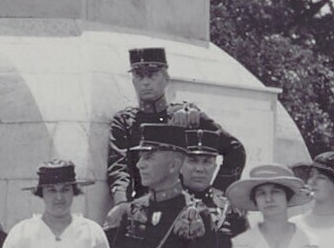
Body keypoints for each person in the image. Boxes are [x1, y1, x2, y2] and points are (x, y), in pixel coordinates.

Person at [105, 125, 237, 248]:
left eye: (148, 157)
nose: (140, 164)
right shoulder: (132, 210)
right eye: (140, 157)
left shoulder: (196, 215)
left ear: (173, 166)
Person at [102, 44, 246, 208]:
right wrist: (122, 205)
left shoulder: (187, 115)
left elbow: (235, 150)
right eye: (139, 76)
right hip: (146, 206)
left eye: (152, 75)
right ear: (133, 81)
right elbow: (119, 168)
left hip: (187, 206)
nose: (145, 82)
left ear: (166, 78)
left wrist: (218, 191)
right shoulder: (125, 121)